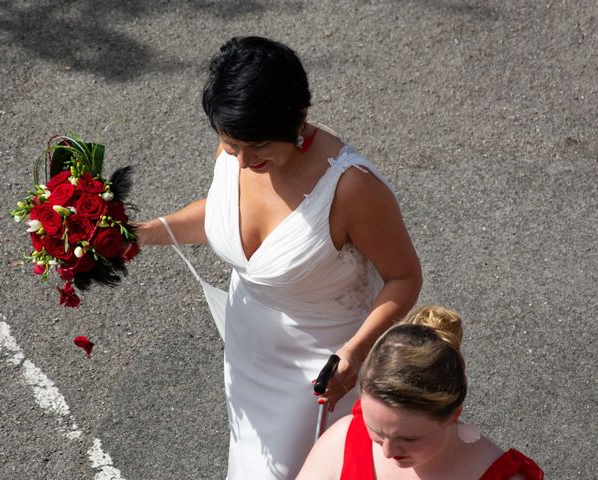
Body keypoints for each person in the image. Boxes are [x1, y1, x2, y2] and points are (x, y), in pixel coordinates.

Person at [136, 36, 422, 479]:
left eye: (257, 148)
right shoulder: (240, 149)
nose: (244, 161)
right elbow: (220, 212)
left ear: (299, 118)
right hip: (247, 353)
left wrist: (354, 352)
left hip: (320, 374)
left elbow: (404, 278)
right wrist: (143, 234)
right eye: (231, 146)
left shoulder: (352, 189)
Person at [297, 305, 544, 480]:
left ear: (453, 414)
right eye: (376, 431)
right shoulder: (343, 440)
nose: (388, 451)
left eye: (408, 438)